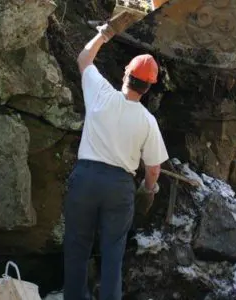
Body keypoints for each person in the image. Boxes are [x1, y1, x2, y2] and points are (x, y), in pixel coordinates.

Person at [63, 13, 169, 300]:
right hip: (119, 188)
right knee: (112, 256)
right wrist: (149, 189)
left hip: (85, 180)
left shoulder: (101, 94)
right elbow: (154, 168)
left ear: (125, 74)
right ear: (149, 87)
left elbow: (84, 59)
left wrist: (105, 34)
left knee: (76, 248)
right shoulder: (148, 121)